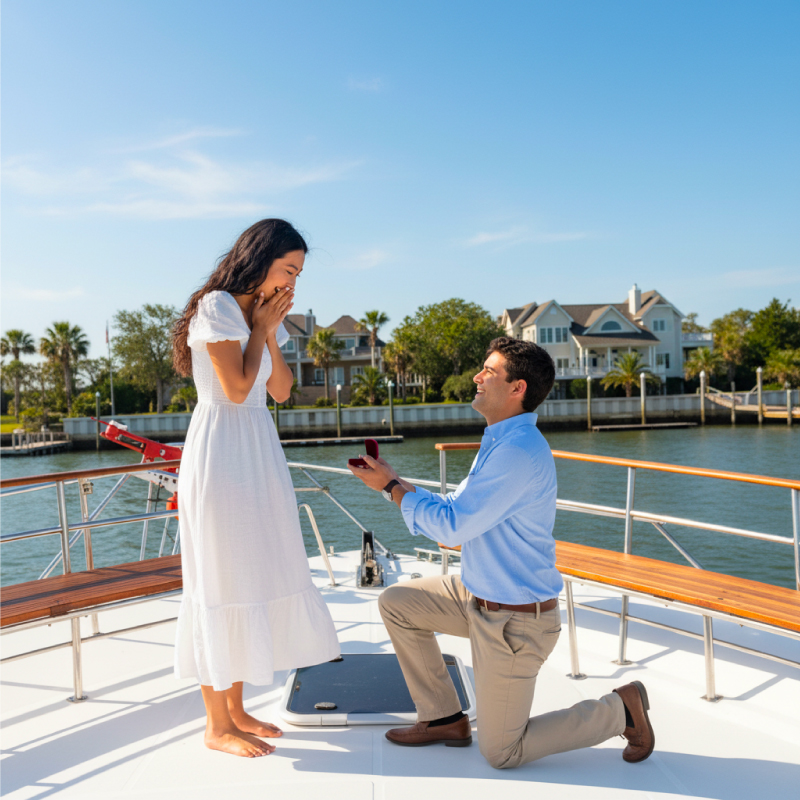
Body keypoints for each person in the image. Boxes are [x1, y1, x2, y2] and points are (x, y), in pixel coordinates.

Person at [348, 337, 655, 769]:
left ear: (517, 389)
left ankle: (620, 709)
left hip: (515, 621)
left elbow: (452, 531)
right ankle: (443, 718)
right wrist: (395, 481)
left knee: (501, 753)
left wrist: (391, 489)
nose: (477, 377)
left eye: (488, 372)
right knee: (398, 602)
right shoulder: (499, 440)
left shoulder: (515, 451)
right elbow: (457, 513)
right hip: (478, 596)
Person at [172, 219, 340, 758]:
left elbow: (283, 392)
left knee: (247, 571)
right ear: (261, 258)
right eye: (289, 268)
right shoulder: (217, 306)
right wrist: (261, 328)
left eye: (298, 273)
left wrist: (270, 327)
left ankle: (238, 709)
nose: (293, 280)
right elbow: (237, 386)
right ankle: (215, 725)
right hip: (221, 448)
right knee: (218, 578)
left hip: (258, 449)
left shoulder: (262, 315)